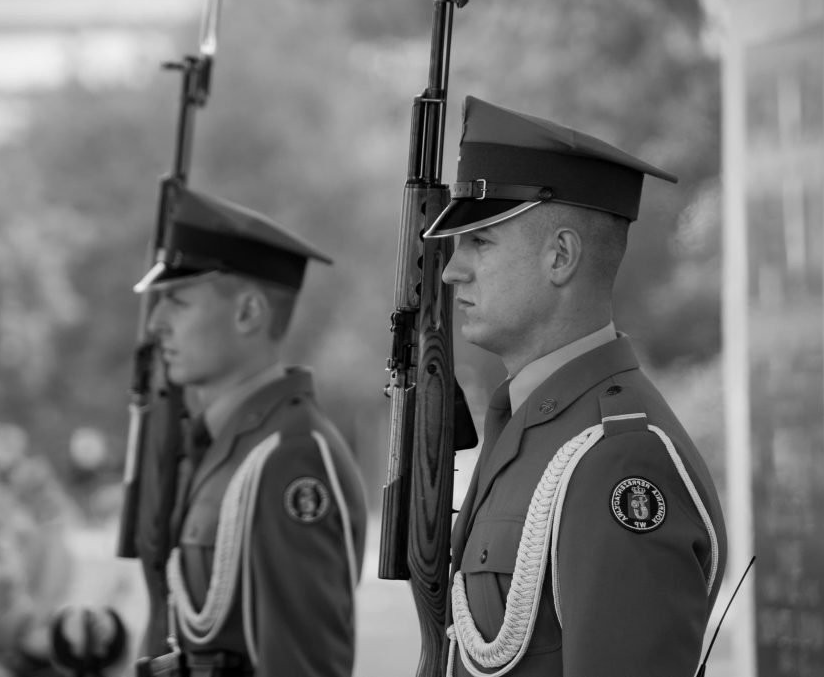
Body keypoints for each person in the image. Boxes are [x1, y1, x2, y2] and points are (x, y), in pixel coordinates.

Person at [424, 97, 728, 677]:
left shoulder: (617, 457)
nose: (451, 270)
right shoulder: (528, 426)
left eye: (479, 243)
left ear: (560, 256)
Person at [129, 187, 366, 677]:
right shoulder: (223, 446)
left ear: (248, 313)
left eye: (176, 301)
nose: (156, 324)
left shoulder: (290, 458)